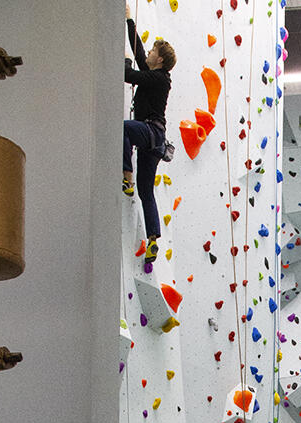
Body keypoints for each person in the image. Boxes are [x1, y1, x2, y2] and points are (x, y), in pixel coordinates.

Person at [123, 4, 176, 264]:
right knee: (147, 191)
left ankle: (126, 176)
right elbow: (139, 50)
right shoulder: (154, 74)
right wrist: (129, 20)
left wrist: (123, 61)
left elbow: (128, 74)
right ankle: (154, 239)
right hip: (153, 141)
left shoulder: (161, 78)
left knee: (123, 129)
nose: (150, 52)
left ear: (161, 60)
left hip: (151, 132)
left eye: (154, 51)